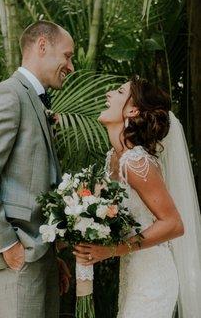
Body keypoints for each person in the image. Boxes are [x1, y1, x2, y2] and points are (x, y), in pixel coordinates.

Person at [0, 21, 74, 318]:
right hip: (18, 255)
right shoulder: (8, 96)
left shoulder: (34, 99)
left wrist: (51, 256)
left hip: (40, 255)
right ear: (41, 45)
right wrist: (9, 245)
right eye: (67, 55)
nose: (70, 66)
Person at [74, 76, 201, 317]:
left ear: (132, 110)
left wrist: (112, 250)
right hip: (133, 272)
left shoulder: (136, 161)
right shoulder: (113, 157)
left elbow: (173, 224)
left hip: (153, 278)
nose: (108, 94)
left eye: (119, 92)